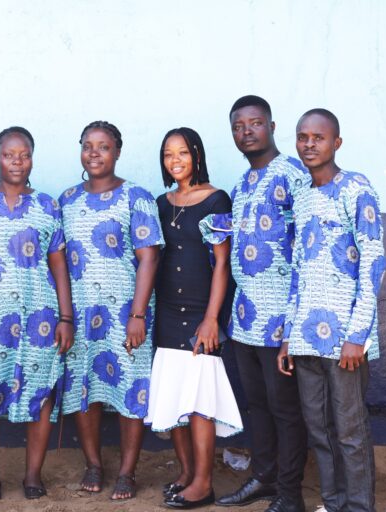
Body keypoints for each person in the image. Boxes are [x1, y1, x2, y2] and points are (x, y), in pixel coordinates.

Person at [0, 126, 75, 501]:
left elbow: (59, 265)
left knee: (40, 392)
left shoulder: (47, 206)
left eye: (24, 155)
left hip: (39, 317)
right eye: (9, 155)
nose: (17, 162)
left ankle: (33, 474)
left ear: (31, 159)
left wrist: (65, 318)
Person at [278, 109, 386, 512]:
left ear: (336, 143)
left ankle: (358, 507)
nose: (309, 144)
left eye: (318, 137)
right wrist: (289, 334)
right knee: (319, 430)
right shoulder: (302, 195)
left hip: (345, 341)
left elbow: (374, 263)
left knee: (350, 432)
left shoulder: (356, 189)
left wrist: (357, 336)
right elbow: (297, 271)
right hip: (306, 339)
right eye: (302, 137)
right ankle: (333, 503)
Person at [59, 121, 162, 501]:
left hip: (126, 313)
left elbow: (149, 257)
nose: (94, 154)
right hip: (81, 313)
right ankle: (93, 464)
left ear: (117, 152)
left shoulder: (137, 197)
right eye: (87, 146)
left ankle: (127, 471)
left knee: (130, 389)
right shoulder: (67, 199)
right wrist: (65, 316)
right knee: (84, 388)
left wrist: (137, 315)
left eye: (103, 147)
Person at [217, 95, 308, 512]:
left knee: (285, 409)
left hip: (280, 319)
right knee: (256, 405)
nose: (246, 132)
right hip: (245, 317)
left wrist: (295, 321)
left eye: (254, 123)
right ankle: (264, 479)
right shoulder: (242, 183)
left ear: (272, 126)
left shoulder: (293, 174)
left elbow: (306, 251)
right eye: (238, 126)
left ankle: (290, 494)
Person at [145, 127, 243, 509]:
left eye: (182, 153)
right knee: (174, 393)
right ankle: (186, 474)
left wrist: (211, 318)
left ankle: (203, 483)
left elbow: (222, 264)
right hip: (168, 310)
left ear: (197, 155)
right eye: (168, 154)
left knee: (200, 398)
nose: (175, 161)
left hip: (200, 312)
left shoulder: (215, 199)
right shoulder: (162, 202)